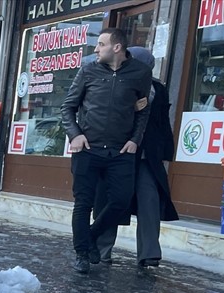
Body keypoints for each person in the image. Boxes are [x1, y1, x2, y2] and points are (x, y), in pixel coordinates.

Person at [60, 28, 152, 274]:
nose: (96, 49)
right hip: (88, 149)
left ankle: (89, 237)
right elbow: (67, 108)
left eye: (101, 44)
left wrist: (135, 139)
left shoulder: (140, 73)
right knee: (83, 204)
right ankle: (81, 253)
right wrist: (75, 134)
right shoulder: (87, 71)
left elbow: (143, 110)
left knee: (121, 201)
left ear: (117, 47)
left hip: (120, 151)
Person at [94, 46, 178, 268]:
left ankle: (149, 254)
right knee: (112, 200)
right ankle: (101, 250)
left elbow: (162, 123)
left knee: (149, 201)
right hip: (116, 153)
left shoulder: (158, 89)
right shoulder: (115, 82)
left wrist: (166, 154)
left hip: (146, 157)